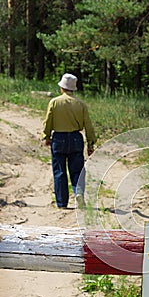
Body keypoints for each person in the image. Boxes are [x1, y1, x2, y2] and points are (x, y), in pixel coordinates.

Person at [42, 73, 96, 209]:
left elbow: (48, 121)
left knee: (59, 171)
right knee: (77, 170)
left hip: (59, 138)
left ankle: (62, 203)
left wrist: (47, 136)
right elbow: (88, 125)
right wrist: (91, 143)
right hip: (76, 138)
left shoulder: (54, 102)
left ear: (62, 88)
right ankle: (78, 192)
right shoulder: (81, 104)